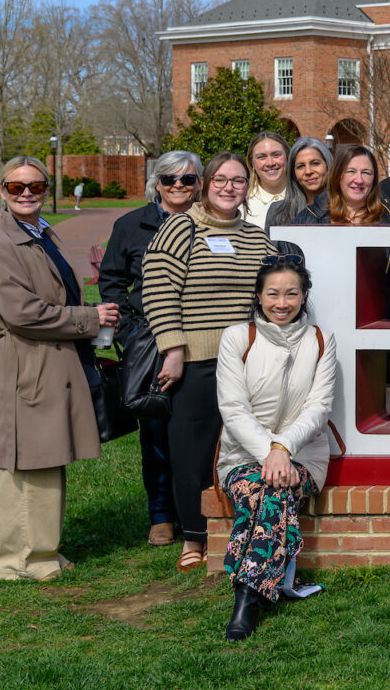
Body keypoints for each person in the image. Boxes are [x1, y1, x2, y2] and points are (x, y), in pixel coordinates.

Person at [0, 157, 122, 580]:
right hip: (24, 366)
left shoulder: (38, 234)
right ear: (2, 191)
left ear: (47, 189)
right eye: (16, 187)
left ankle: (42, 552)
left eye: (36, 187)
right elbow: (24, 313)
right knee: (26, 460)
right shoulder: (0, 245)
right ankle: (18, 561)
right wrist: (89, 319)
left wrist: (87, 317)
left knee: (45, 457)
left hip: (46, 363)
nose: (26, 194)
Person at [142, 152, 278, 573]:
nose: (229, 187)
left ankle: (240, 527)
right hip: (196, 360)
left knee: (242, 448)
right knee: (192, 449)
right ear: (205, 184)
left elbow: (275, 292)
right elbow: (158, 289)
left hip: (244, 363)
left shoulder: (256, 238)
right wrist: (174, 349)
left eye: (238, 181)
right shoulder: (181, 229)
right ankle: (195, 537)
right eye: (221, 179)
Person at [215, 255, 338, 640]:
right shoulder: (237, 338)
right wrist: (268, 451)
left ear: (304, 296)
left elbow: (319, 407)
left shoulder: (320, 339)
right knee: (268, 491)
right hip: (241, 455)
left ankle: (245, 598)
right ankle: (256, 592)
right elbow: (233, 408)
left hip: (304, 454)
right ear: (258, 295)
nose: (281, 303)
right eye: (272, 294)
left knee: (272, 488)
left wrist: (283, 447)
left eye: (291, 294)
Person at [96, 149, 202, 547]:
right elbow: (111, 282)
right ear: (156, 183)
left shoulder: (208, 223)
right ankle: (161, 514)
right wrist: (126, 333)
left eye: (188, 179)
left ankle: (195, 507)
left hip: (199, 341)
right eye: (170, 179)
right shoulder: (130, 225)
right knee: (155, 427)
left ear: (199, 184)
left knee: (196, 428)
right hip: (148, 342)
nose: (179, 186)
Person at [294, 145, 390, 411]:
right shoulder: (310, 219)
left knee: (385, 406)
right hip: (327, 326)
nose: (359, 180)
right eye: (351, 171)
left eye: (367, 172)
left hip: (384, 328)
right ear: (338, 175)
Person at [264, 137, 331, 233]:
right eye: (301, 166)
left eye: (315, 163)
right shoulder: (277, 212)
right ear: (293, 173)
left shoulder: (348, 210)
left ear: (328, 166)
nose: (308, 171)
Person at [242, 132, 292, 226]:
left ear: (288, 157)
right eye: (261, 157)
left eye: (276, 155)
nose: (270, 163)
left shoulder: (305, 196)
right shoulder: (241, 202)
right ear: (252, 163)